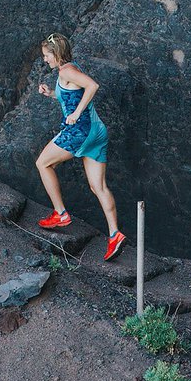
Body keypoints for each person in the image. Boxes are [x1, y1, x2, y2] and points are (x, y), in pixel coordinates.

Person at [35, 32, 126, 262]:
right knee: (99, 186)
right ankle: (115, 234)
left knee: (43, 163)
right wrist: (52, 95)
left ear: (55, 54)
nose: (45, 60)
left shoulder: (67, 71)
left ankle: (60, 213)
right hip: (97, 131)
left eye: (46, 55)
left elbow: (92, 86)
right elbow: (72, 95)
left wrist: (76, 113)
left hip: (81, 131)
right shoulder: (69, 69)